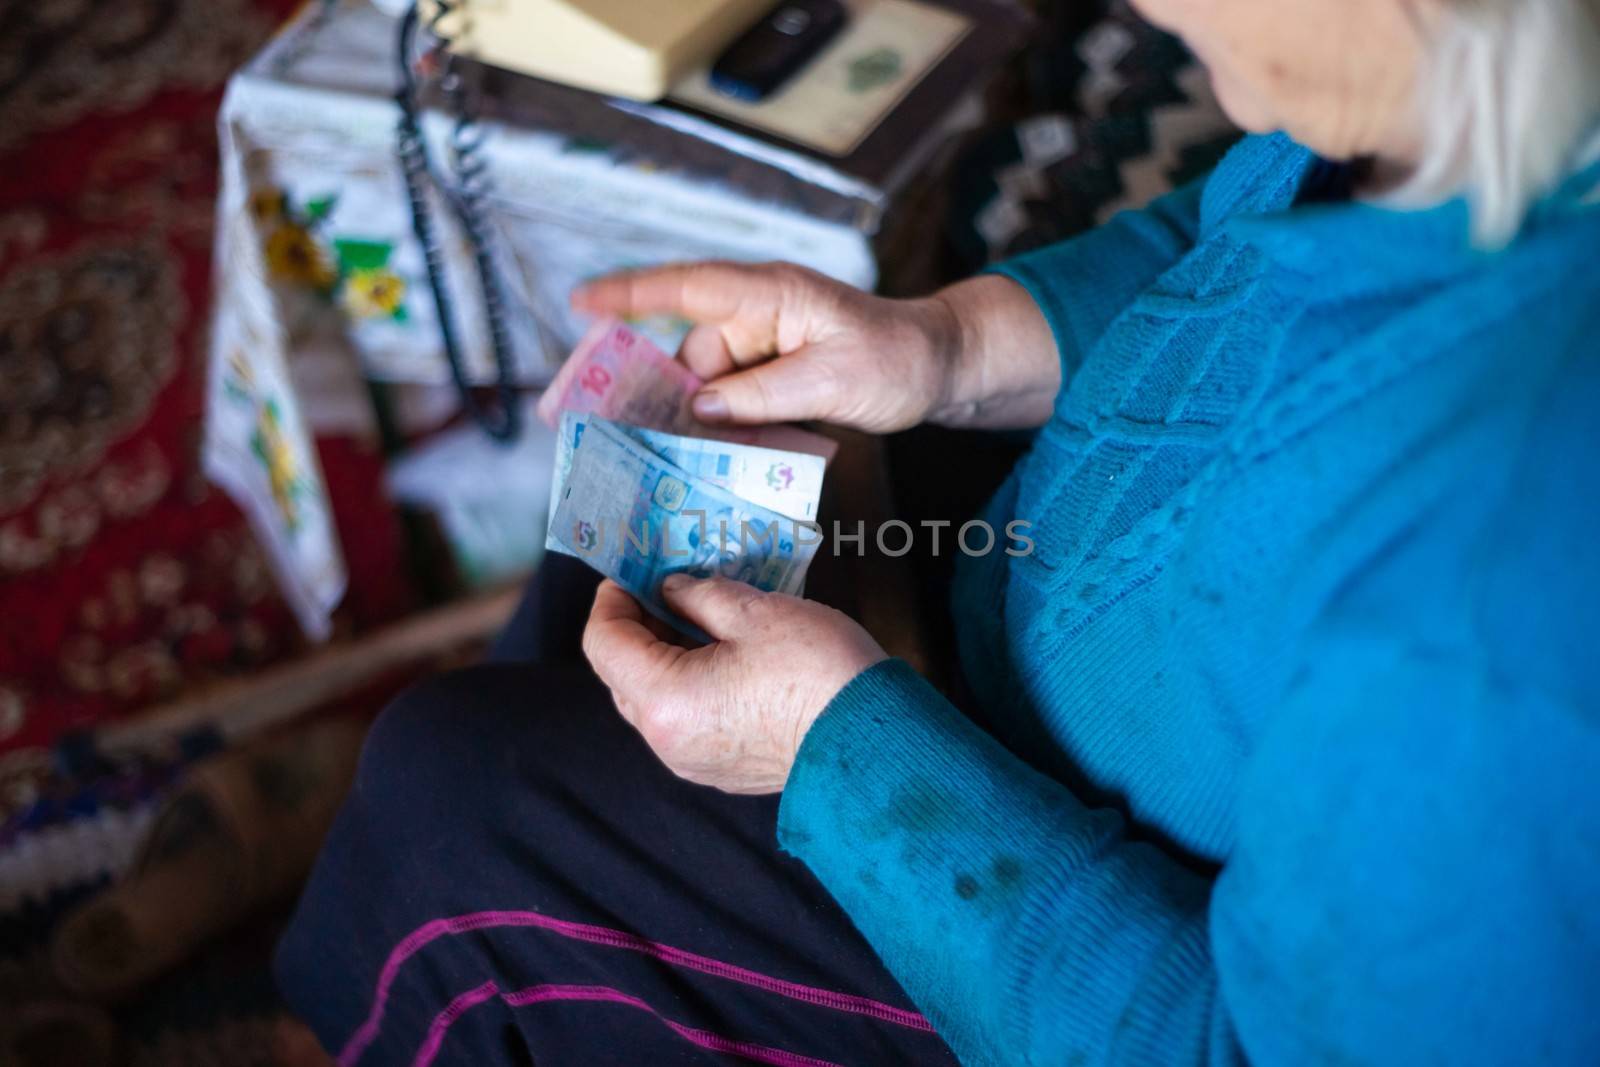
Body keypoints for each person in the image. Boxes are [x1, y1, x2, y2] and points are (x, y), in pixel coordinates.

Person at [276, 0, 1600, 1063]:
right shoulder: (1468, 114)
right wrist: (949, 346)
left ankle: (392, 962)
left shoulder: (1500, 622)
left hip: (1068, 948)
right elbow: (1229, 232)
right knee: (644, 513)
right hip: (1060, 619)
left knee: (456, 801)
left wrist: (837, 754)